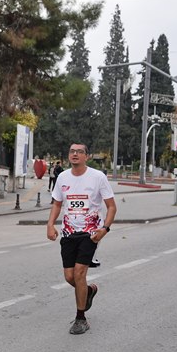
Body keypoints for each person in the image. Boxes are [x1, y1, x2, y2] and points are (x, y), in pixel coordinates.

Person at [46, 143, 117, 335]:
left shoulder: (98, 177)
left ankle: (81, 318)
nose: (75, 154)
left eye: (79, 152)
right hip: (69, 232)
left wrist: (104, 229)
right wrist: (50, 224)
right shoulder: (62, 177)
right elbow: (57, 204)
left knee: (79, 274)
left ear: (87, 156)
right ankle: (89, 291)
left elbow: (111, 206)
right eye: (72, 151)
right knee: (69, 277)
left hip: (90, 233)